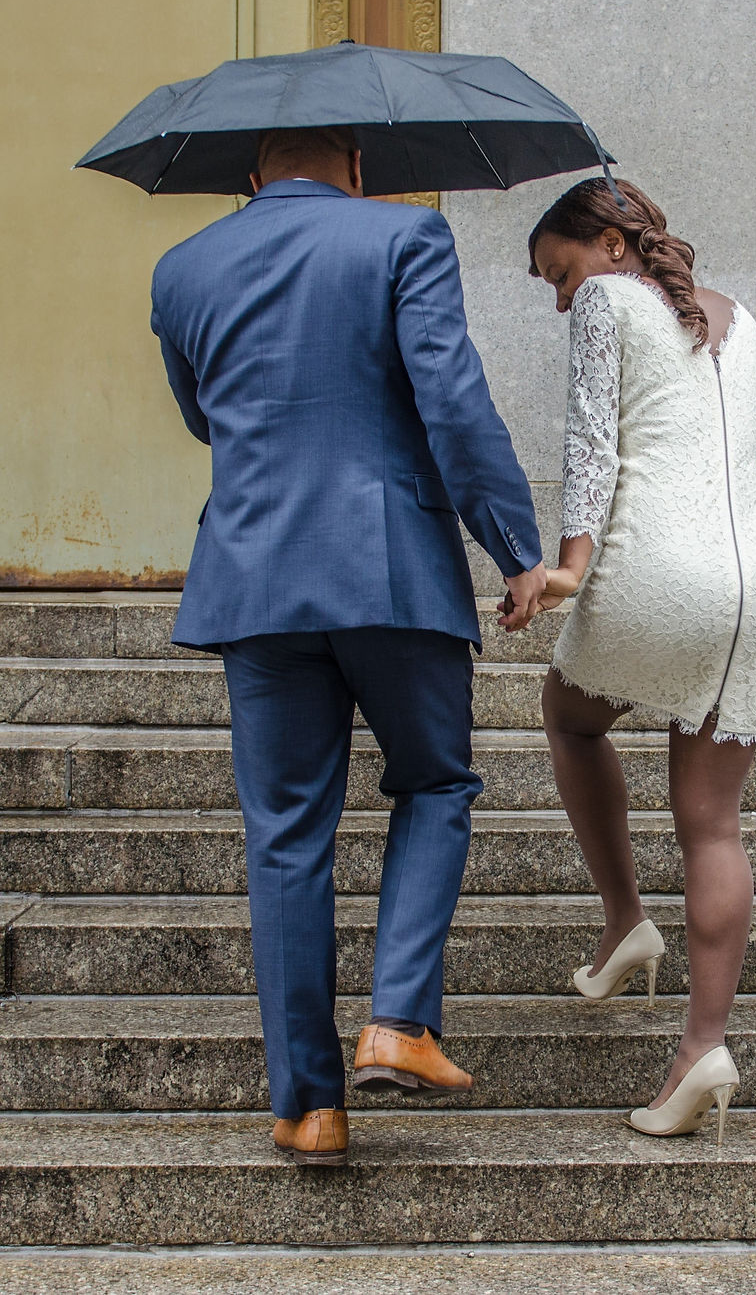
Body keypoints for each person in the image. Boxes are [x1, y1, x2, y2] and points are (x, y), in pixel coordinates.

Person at [151, 127, 546, 1164]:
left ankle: (308, 1105)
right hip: (387, 569)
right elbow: (453, 405)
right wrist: (512, 547)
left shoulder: (182, 266)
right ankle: (399, 1019)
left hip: (254, 576)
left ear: (249, 174)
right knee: (433, 782)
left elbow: (202, 416)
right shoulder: (404, 236)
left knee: (284, 833)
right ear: (358, 168)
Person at [526, 177, 756, 1145]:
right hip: (754, 588)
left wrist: (566, 569)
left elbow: (592, 445)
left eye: (558, 273)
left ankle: (624, 916)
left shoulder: (606, 301)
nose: (561, 297)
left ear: (606, 244)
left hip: (653, 576)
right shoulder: (742, 319)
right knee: (712, 821)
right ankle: (701, 1047)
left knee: (566, 714)